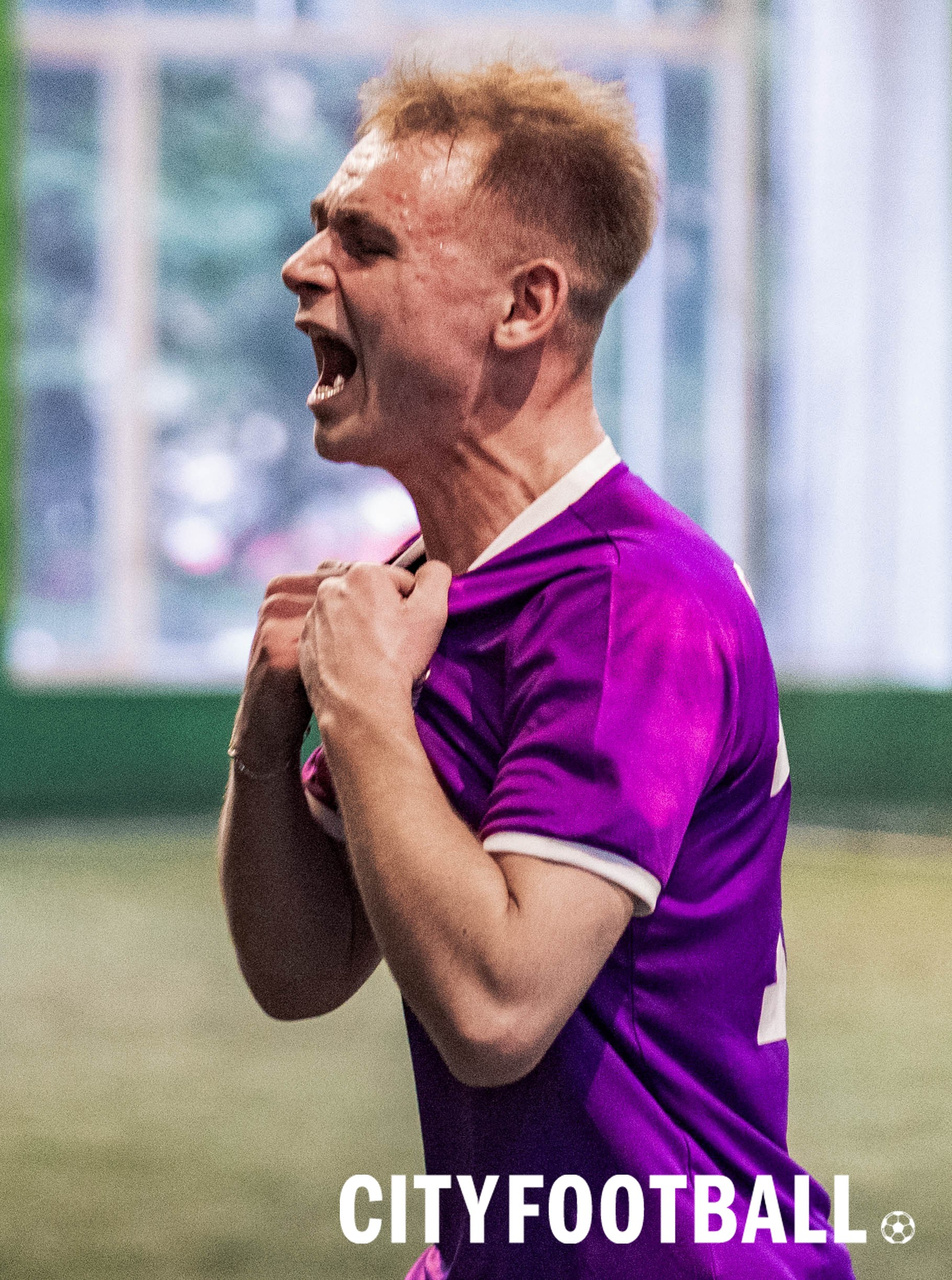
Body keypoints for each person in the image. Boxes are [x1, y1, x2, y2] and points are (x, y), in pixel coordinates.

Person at [219, 61, 854, 1277]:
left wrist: (362, 709)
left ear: (525, 305)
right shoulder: (429, 584)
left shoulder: (634, 603)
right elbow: (301, 968)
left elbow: (496, 1008)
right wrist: (266, 737)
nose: (302, 269)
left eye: (363, 241)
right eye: (319, 231)